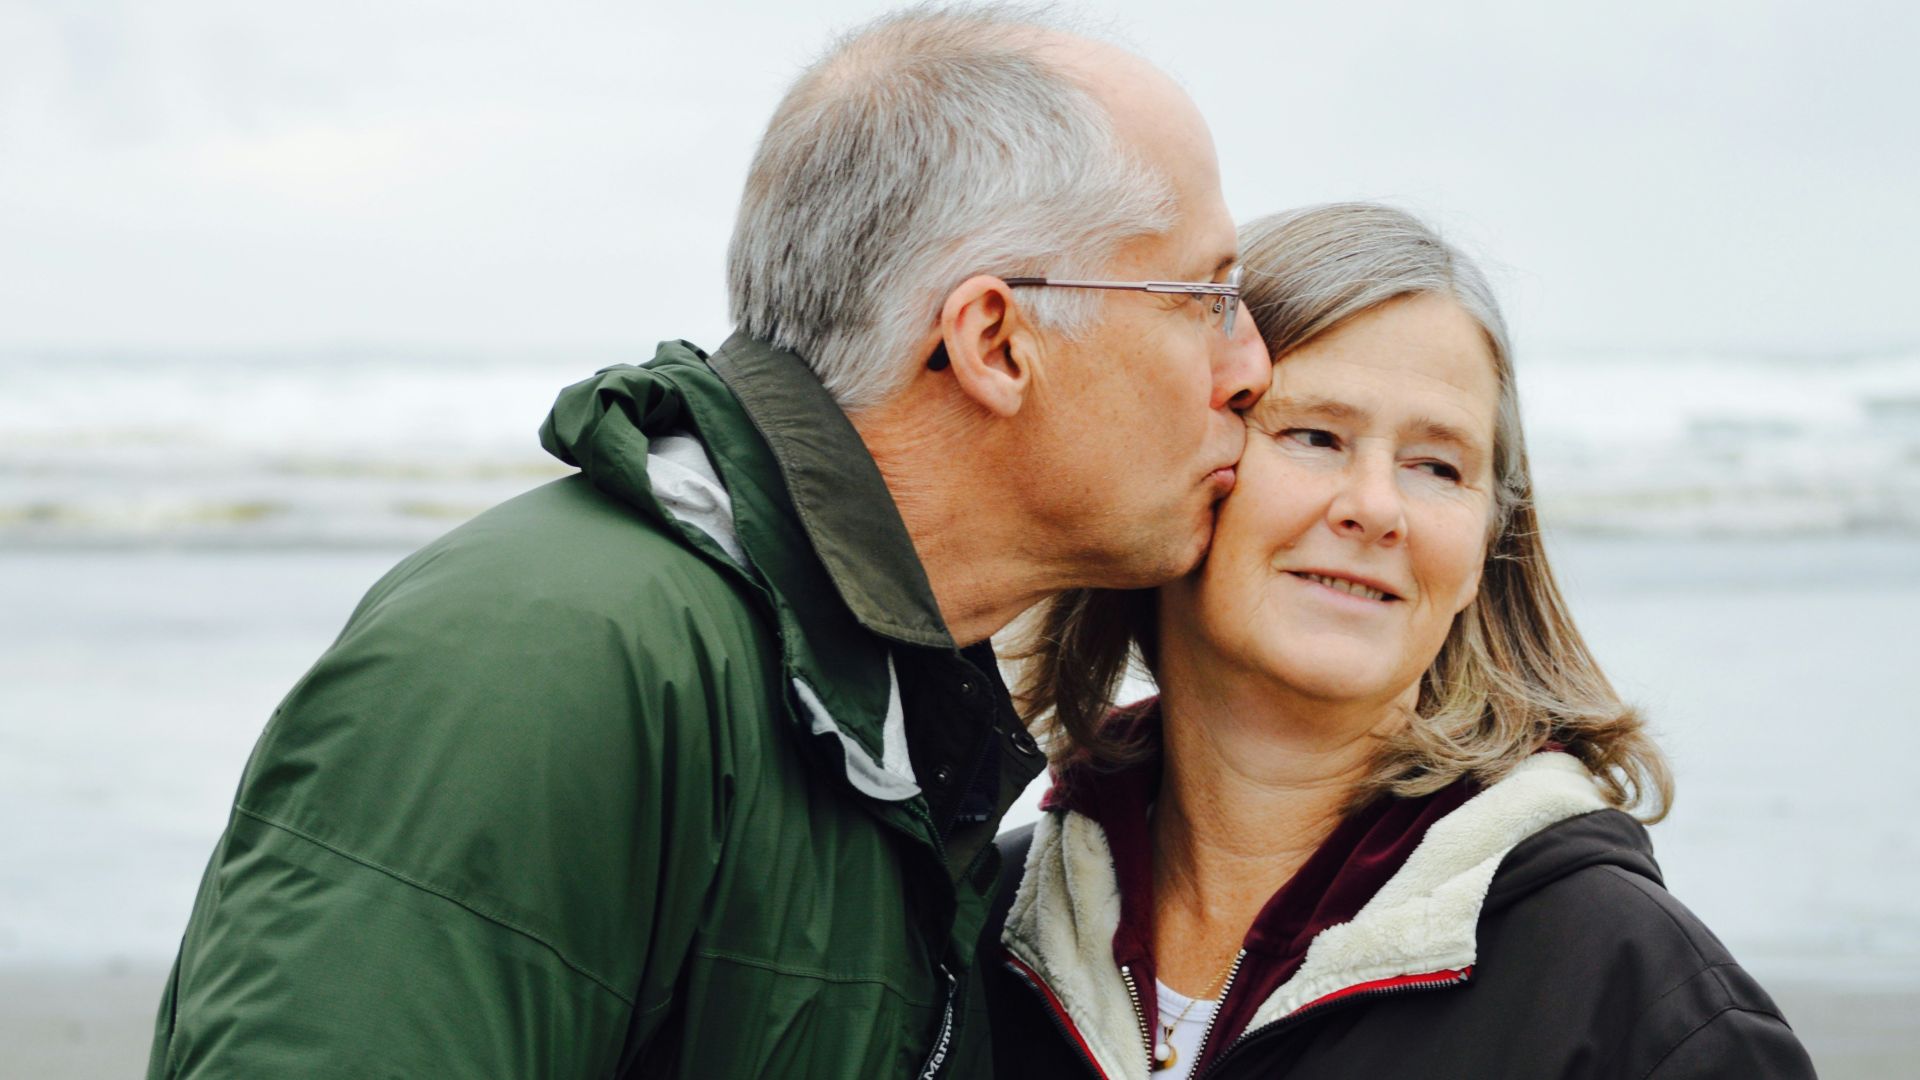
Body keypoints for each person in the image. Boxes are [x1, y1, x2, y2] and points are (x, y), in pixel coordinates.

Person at [144, 6, 1270, 1078]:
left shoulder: (873, 700)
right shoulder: (548, 662)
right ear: (994, 341)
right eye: (1203, 297)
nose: (1251, 367)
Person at [985, 202, 1816, 1079]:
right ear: (1183, 468)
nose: (1376, 508)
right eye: (1314, 435)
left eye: (1438, 466)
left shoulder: (1640, 1000)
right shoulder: (985, 931)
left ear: (1485, 552)